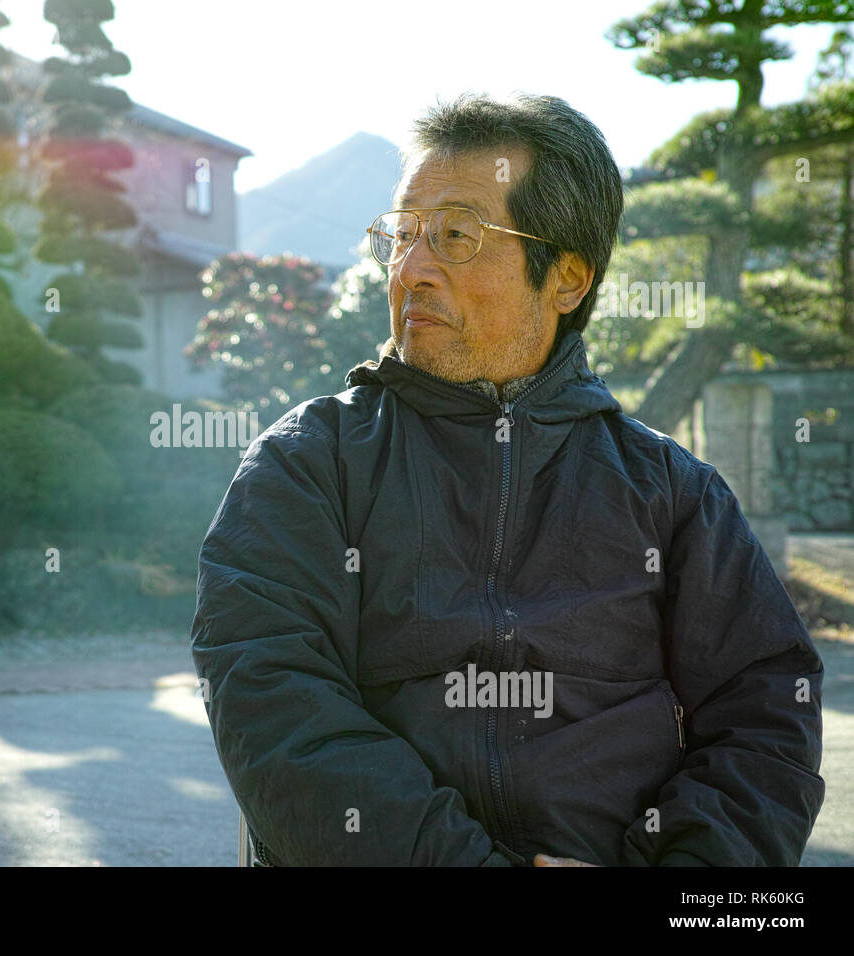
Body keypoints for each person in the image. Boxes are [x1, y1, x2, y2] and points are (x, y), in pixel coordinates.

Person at [189, 93, 824, 867]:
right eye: (402, 233)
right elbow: (276, 706)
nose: (411, 269)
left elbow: (763, 716)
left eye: (456, 235)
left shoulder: (673, 494)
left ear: (567, 279)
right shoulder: (309, 462)